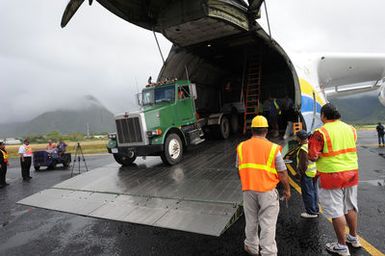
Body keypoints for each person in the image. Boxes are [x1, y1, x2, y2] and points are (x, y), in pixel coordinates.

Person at [308, 103, 361, 256]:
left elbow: (312, 156)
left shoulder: (321, 132)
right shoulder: (351, 129)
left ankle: (341, 246)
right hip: (351, 172)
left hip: (331, 175)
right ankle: (353, 237)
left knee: (336, 210)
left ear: (324, 115)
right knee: (350, 206)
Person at [236, 115, 291, 256]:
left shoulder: (241, 147)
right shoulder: (273, 148)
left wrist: (247, 181)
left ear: (252, 130)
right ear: (266, 130)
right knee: (267, 223)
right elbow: (282, 172)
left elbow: (239, 169)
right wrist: (287, 190)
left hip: (248, 190)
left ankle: (251, 246)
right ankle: (268, 252)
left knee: (251, 220)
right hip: (267, 191)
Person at [295, 130, 319, 218]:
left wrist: (300, 174)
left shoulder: (303, 149)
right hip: (314, 172)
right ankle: (315, 209)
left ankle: (311, 212)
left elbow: (303, 164)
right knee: (314, 192)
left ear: (299, 138)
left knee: (307, 193)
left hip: (307, 173)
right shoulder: (311, 145)